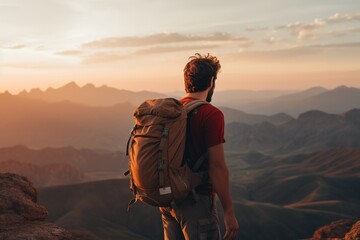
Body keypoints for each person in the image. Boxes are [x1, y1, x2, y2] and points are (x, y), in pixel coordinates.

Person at [159, 53, 239, 240]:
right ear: (211, 81)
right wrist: (228, 212)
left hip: (168, 202)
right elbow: (217, 166)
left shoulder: (170, 111)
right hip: (197, 203)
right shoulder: (211, 114)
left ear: (186, 81)